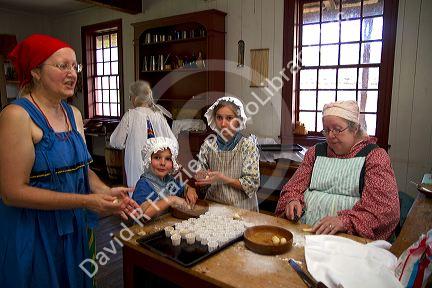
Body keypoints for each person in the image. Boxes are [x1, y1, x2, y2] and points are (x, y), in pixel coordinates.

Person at [0, 34, 139, 287]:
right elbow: (12, 193)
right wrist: (87, 201)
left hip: (74, 227)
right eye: (62, 66)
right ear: (36, 72)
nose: (72, 73)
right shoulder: (16, 116)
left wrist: (107, 193)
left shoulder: (73, 114)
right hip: (35, 232)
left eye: (75, 66)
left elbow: (82, 171)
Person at [275, 100, 400, 240]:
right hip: (306, 232)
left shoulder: (374, 157)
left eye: (337, 129)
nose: (331, 135)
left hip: (349, 240)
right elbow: (293, 188)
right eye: (326, 130)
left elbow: (384, 211)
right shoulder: (315, 153)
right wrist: (292, 201)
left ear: (355, 129)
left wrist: (344, 221)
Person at [195, 96, 260, 211]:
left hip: (242, 208)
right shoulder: (207, 146)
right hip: (213, 205)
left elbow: (252, 184)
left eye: (229, 118)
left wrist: (223, 178)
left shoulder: (248, 146)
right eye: (219, 117)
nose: (223, 123)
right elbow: (202, 183)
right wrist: (202, 179)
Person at [110, 80, 176, 188]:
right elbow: (173, 142)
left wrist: (128, 143)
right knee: (156, 195)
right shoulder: (158, 115)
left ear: (135, 97)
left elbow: (115, 141)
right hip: (158, 162)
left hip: (136, 162)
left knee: (138, 193)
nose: (130, 99)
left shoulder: (130, 116)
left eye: (130, 96)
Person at [132, 137, 198, 218]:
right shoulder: (143, 184)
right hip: (148, 229)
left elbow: (184, 187)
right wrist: (171, 200)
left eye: (168, 159)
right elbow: (144, 213)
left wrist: (190, 189)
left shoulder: (169, 180)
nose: (163, 163)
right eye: (157, 157)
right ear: (149, 159)